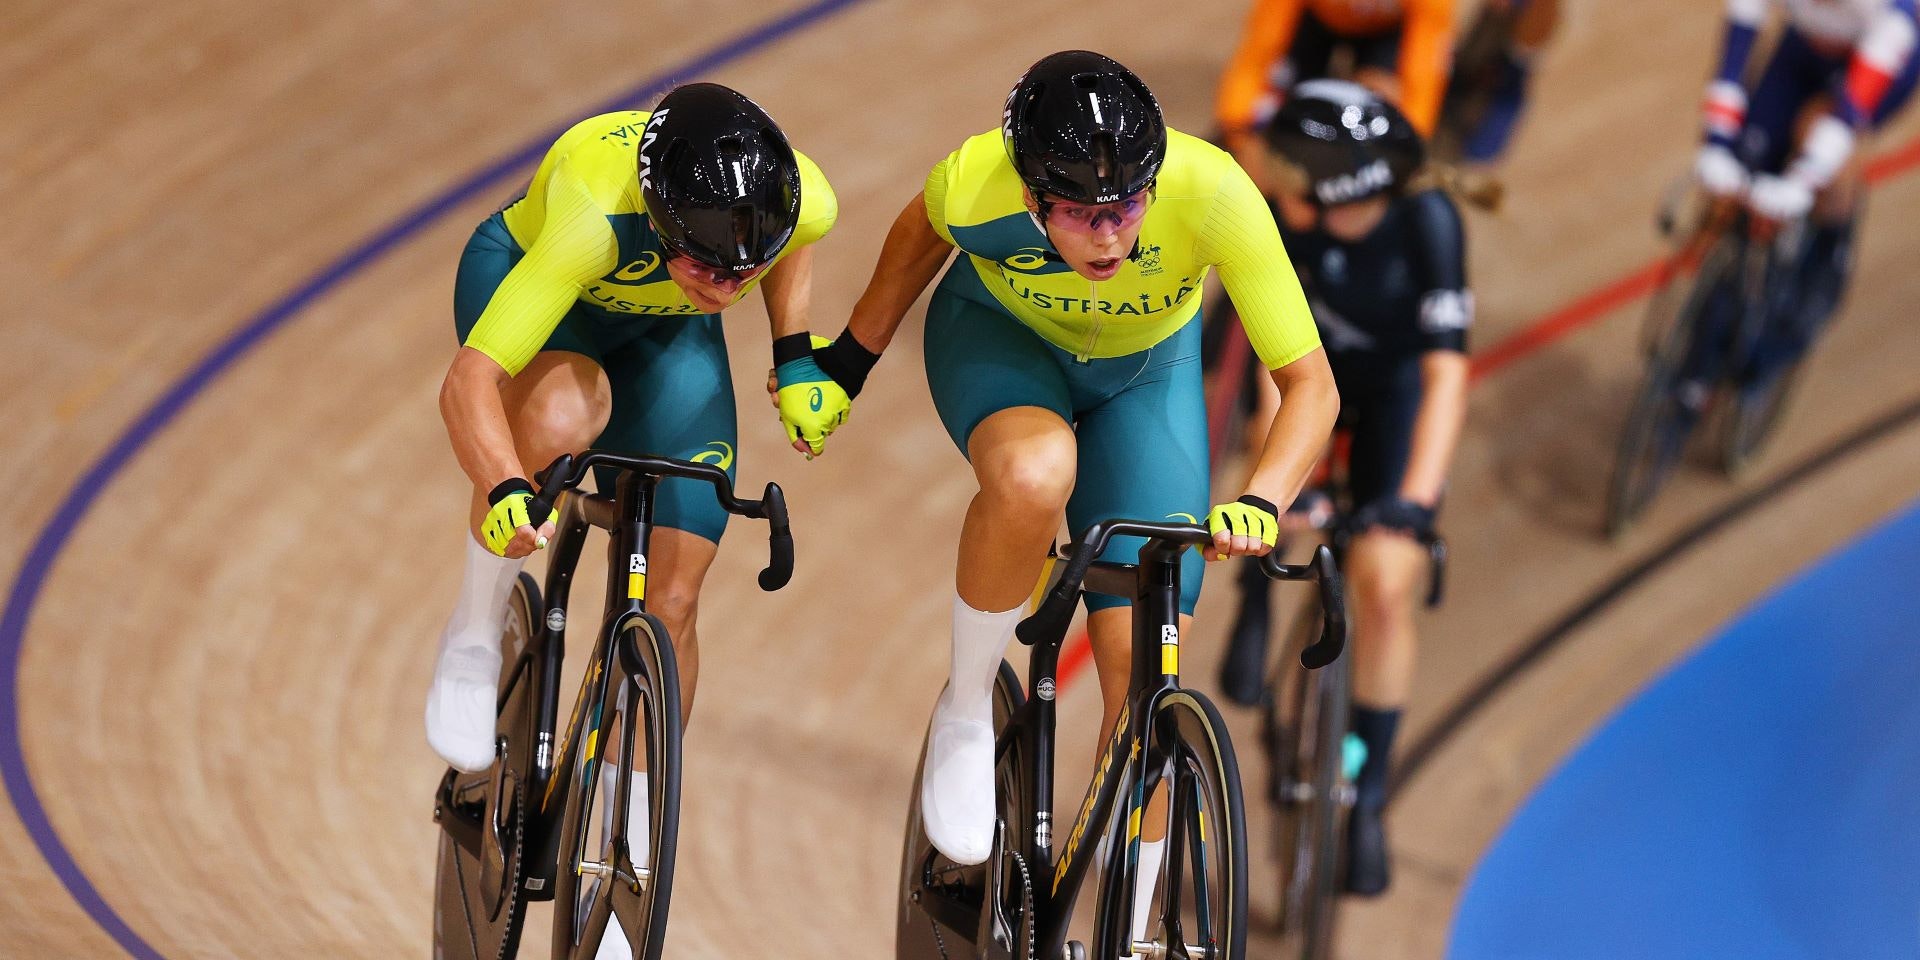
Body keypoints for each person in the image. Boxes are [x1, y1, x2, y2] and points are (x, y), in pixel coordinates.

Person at [773, 50, 1338, 946]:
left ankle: (1140, 918)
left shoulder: (1216, 192)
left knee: (1145, 680)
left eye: (1126, 210)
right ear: (1034, 201)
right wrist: (847, 362)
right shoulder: (980, 181)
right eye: (1081, 215)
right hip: (1005, 339)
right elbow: (922, 231)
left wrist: (1262, 499)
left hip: (1144, 378)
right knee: (1039, 474)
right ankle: (966, 710)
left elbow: (1310, 385)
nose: (1110, 238)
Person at [425, 83, 836, 957]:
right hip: (546, 299)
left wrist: (793, 352)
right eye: (708, 264)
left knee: (676, 598)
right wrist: (505, 487)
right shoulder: (593, 217)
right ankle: (472, 631)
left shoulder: (795, 199)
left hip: (663, 334)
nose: (728, 284)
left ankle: (630, 841)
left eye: (744, 269)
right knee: (567, 415)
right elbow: (466, 386)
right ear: (660, 220)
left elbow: (794, 237)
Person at [1215, 80, 1470, 897]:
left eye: (1300, 194)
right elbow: (1269, 368)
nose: (1286, 204)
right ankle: (1257, 599)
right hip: (1305, 384)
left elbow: (1444, 374)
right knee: (1269, 489)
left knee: (1386, 583)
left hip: (1389, 396)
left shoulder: (1428, 222)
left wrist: (1414, 507)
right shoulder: (1282, 219)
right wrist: (1276, 487)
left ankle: (1368, 797)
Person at [1694, 0, 1919, 365]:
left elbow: (1847, 115)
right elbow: (1732, 61)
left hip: (1876, 67)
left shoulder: (1892, 12)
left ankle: (1830, 250)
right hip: (1803, 47)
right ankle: (1700, 335)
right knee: (1743, 159)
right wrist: (1717, 143)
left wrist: (1804, 180)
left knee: (1816, 134)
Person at [1215, 0, 1456, 183]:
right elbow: (1261, 50)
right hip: (1314, 16)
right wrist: (1240, 129)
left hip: (1389, 28)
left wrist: (1404, 151)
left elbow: (1424, 72)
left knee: (1383, 116)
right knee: (1276, 115)